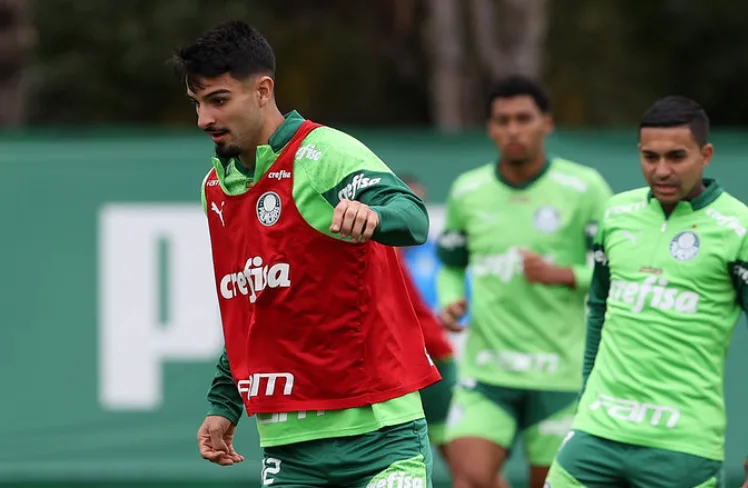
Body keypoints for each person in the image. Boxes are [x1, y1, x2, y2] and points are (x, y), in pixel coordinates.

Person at [172, 20, 441, 488]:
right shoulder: (216, 188)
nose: (204, 120)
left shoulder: (323, 153)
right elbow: (249, 305)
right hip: (287, 448)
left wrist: (374, 217)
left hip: (380, 436)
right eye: (197, 104)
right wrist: (224, 402)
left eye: (218, 101)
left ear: (262, 91)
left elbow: (412, 215)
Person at [545, 96, 748, 488]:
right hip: (597, 432)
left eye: (676, 157)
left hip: (683, 447)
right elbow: (598, 313)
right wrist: (584, 406)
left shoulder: (743, 229)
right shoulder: (616, 214)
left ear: (705, 154)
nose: (661, 171)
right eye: (649, 157)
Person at [436, 75, 614, 488]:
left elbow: (618, 272)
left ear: (546, 124)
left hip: (560, 376)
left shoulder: (583, 187)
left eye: (523, 118)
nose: (513, 129)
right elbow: (450, 265)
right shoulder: (469, 190)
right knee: (470, 478)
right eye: (503, 120)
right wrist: (450, 300)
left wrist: (564, 275)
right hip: (488, 373)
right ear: (490, 128)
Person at [397, 174, 511, 488]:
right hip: (400, 371)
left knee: (470, 473)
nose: (408, 211)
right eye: (402, 200)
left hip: (431, 365)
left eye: (415, 202)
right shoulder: (378, 250)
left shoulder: (416, 255)